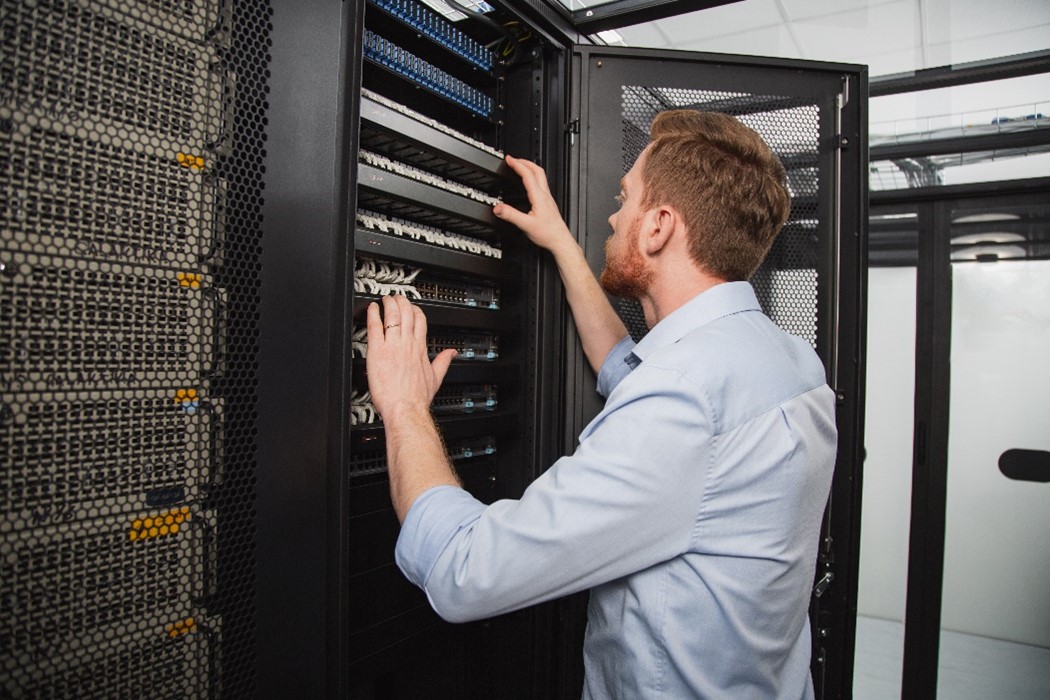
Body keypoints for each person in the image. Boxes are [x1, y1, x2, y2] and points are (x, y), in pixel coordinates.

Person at [365, 109, 838, 699]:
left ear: (659, 226)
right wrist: (561, 243)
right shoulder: (790, 362)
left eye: (626, 198)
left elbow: (464, 572)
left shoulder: (683, 403)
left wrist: (405, 407)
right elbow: (624, 364)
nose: (614, 216)